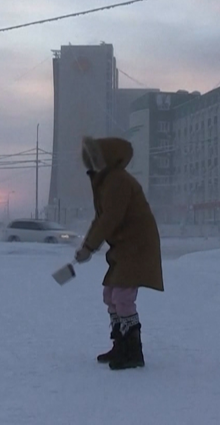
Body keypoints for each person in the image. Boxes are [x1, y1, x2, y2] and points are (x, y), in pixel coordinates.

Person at [74, 135, 163, 370]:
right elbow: (102, 218)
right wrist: (86, 246)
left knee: (122, 296)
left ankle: (133, 351)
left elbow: (111, 218)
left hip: (136, 245)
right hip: (124, 246)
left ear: (107, 158)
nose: (90, 162)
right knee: (110, 294)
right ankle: (120, 344)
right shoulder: (106, 181)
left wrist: (89, 247)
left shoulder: (117, 181)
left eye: (94, 158)